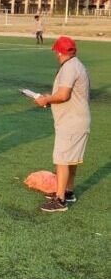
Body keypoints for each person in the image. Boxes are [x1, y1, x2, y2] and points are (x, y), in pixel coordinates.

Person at [34, 36, 90, 212]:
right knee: (70, 159)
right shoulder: (77, 65)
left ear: (58, 52)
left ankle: (60, 200)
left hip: (71, 122)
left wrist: (46, 100)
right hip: (76, 120)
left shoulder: (69, 68)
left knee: (62, 159)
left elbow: (64, 95)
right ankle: (67, 191)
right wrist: (49, 99)